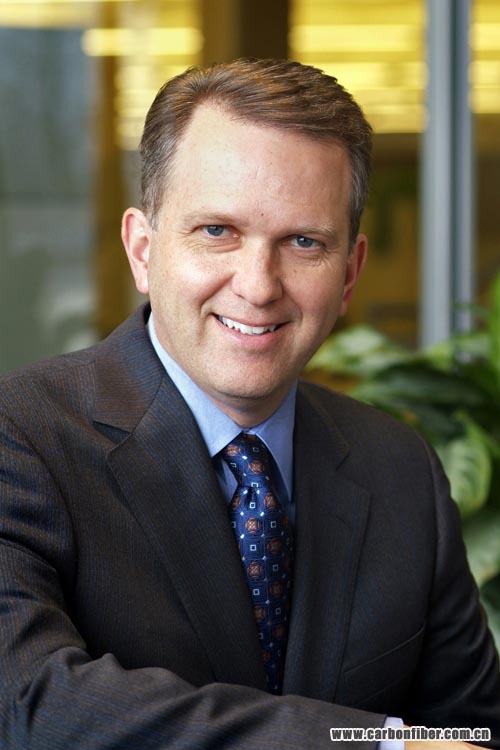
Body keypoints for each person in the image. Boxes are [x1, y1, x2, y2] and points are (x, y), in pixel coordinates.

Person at [0, 58, 499, 750]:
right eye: (218, 232)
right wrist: (374, 743)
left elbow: (472, 730)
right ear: (142, 249)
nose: (259, 286)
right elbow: (28, 704)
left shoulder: (398, 467)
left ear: (349, 274)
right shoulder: (22, 435)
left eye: (303, 242)